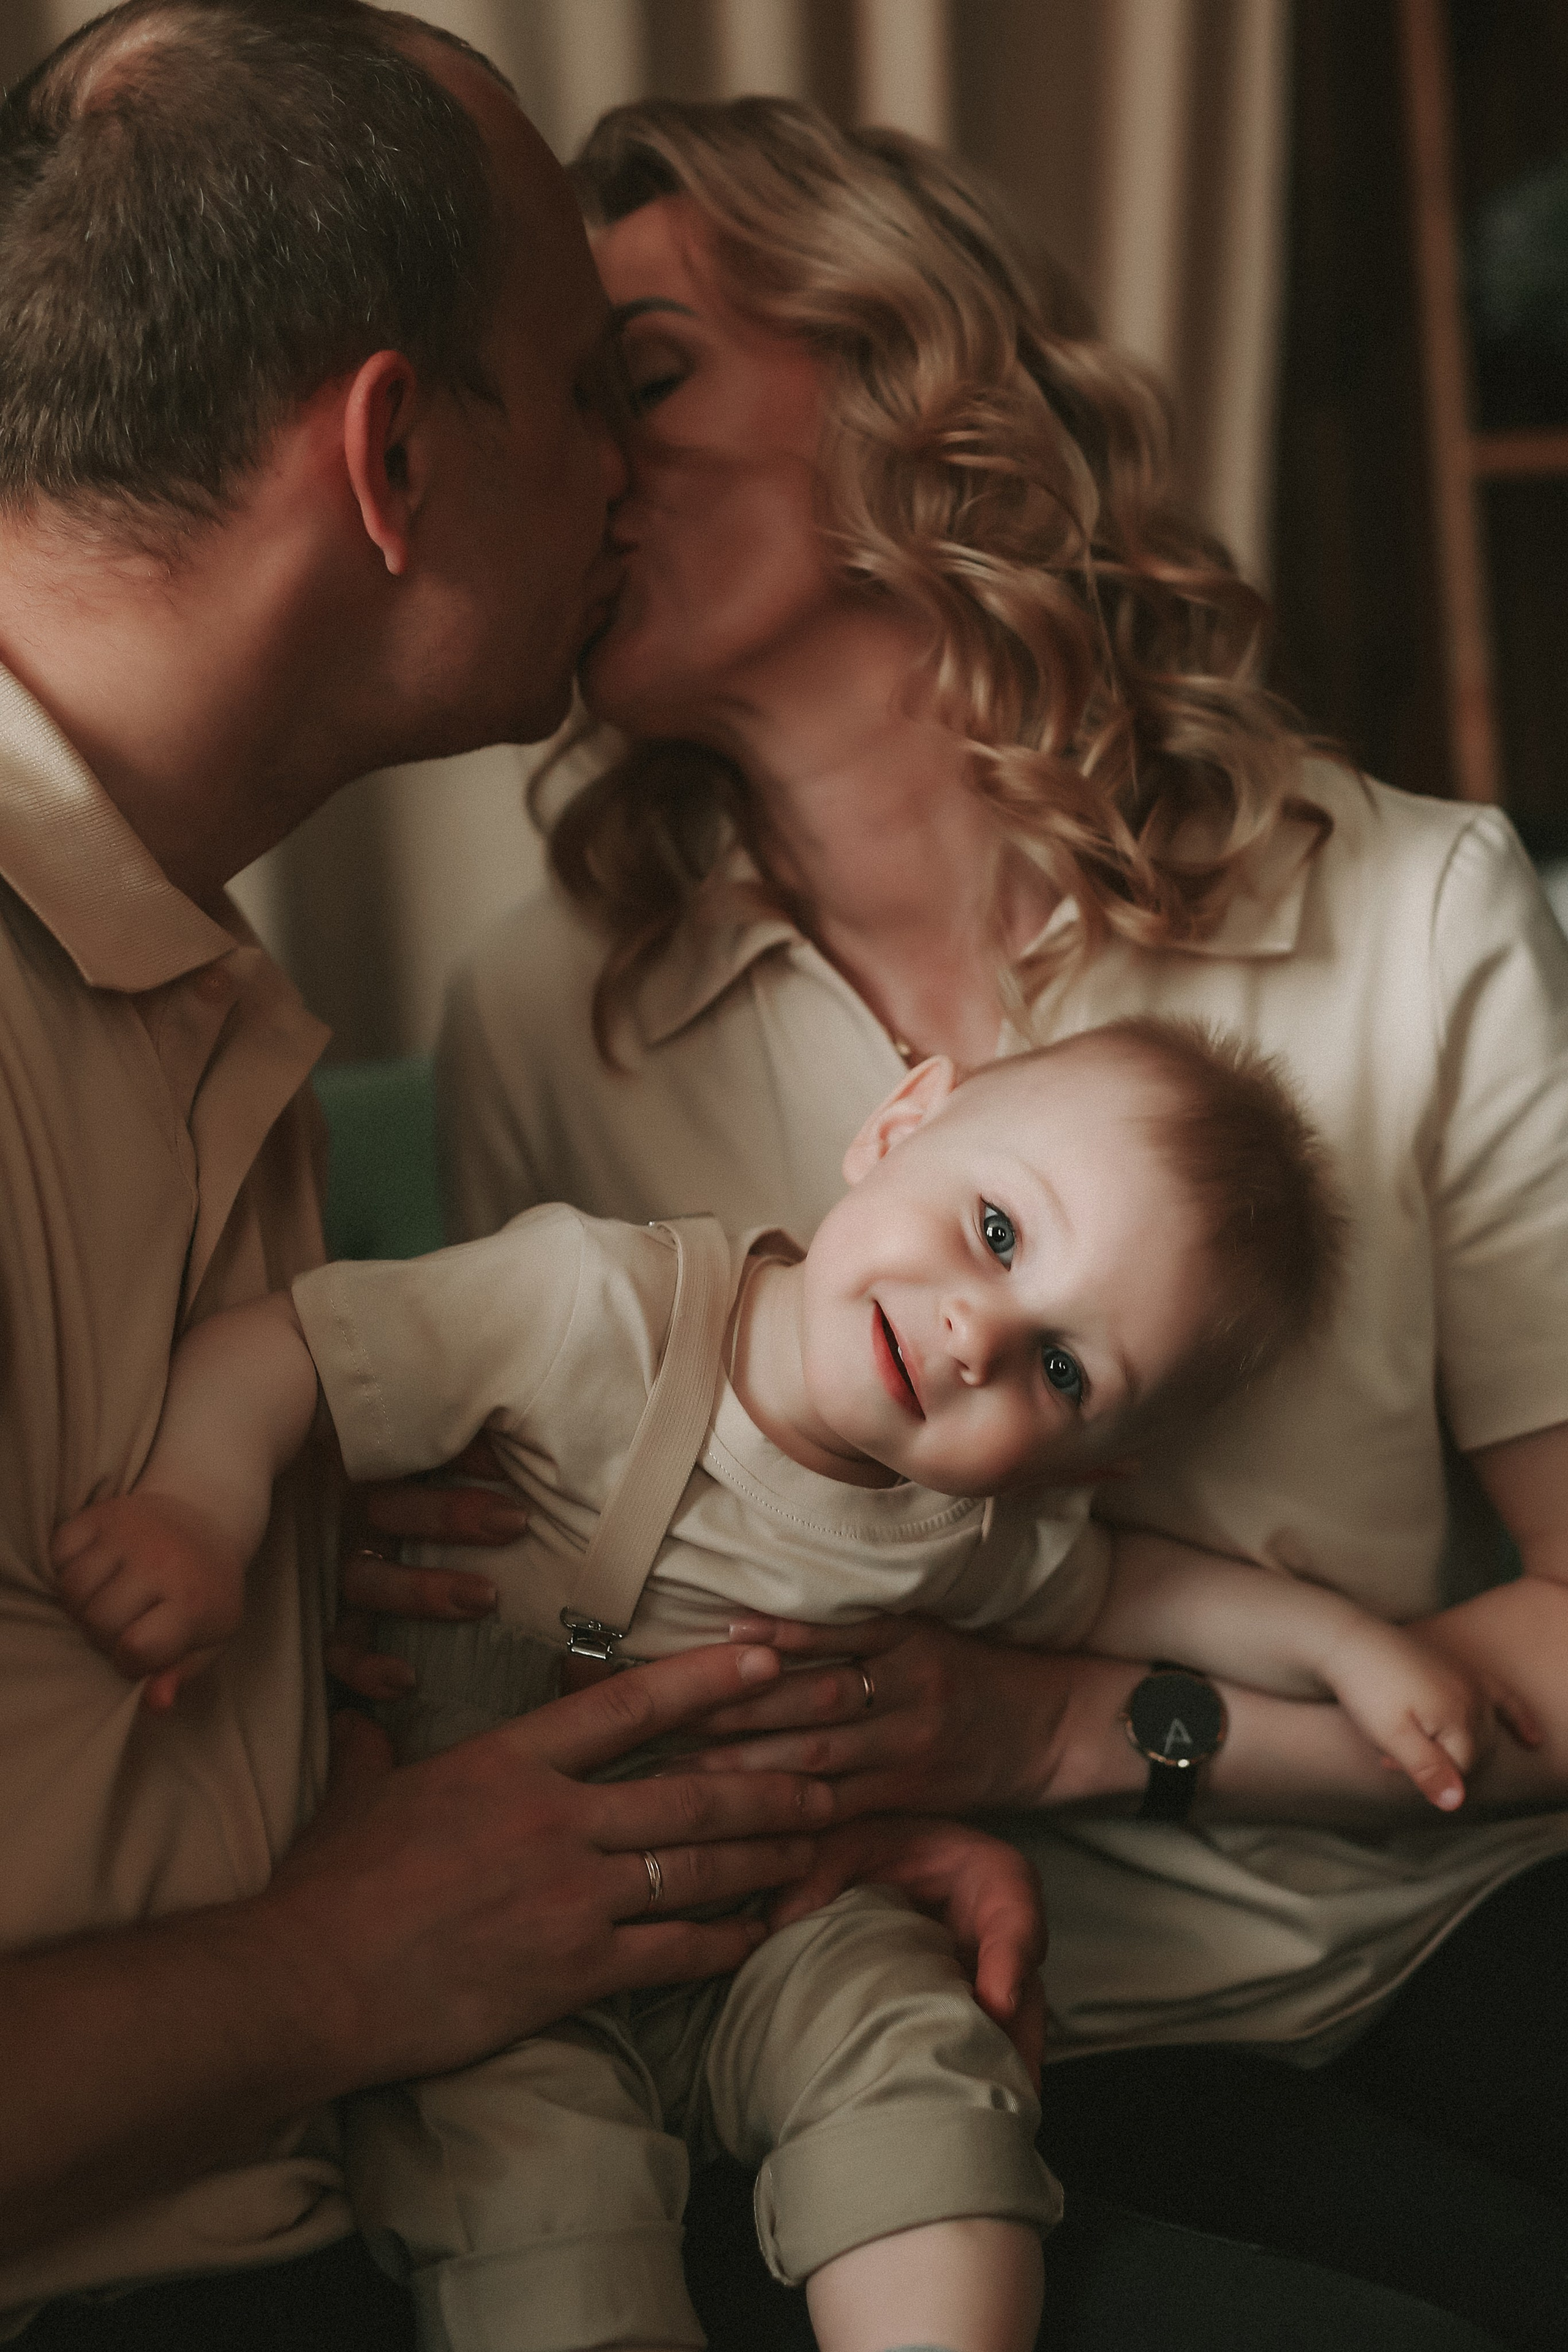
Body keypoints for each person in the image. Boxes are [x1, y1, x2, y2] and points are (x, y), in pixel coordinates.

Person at [404, 94, 1568, 2352]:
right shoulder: (540, 1016)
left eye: (635, 379)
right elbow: (535, 1634)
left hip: (1458, 1922)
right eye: (547, 406)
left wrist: (1037, 1728)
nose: (573, 468)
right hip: (948, 2047)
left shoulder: (1418, 914)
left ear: (903, 376)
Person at [0, 18, 1049, 2347]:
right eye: (594, 392)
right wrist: (331, 1970)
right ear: (392, 455)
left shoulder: (179, 967)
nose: (624, 481)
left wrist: (741, 1849)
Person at [55, 1015, 1448, 2352]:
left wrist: (1340, 1644)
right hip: (482, 1938)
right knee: (526, 2180)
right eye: (997, 1233)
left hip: (783, 1914)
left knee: (919, 2055)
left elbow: (1130, 1596)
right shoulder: (591, 1306)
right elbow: (295, 1344)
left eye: (1064, 1369)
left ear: (1077, 1464)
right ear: (902, 1121)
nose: (979, 1337)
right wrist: (198, 1504)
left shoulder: (960, 1524)